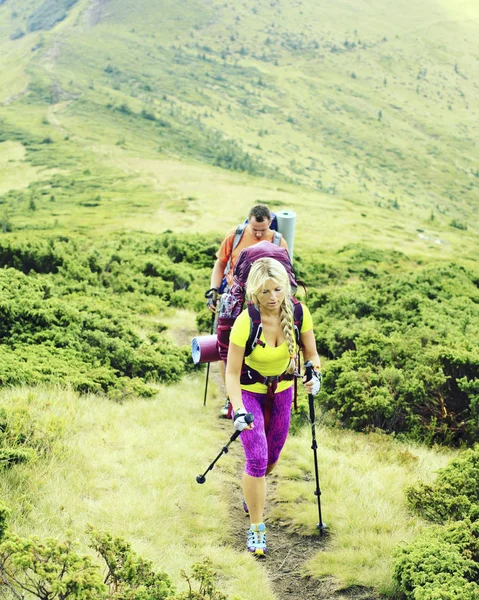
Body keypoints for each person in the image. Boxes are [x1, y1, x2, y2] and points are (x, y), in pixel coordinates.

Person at [225, 257, 321, 557]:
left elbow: (312, 355)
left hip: (281, 392)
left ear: (287, 288)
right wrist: (238, 409)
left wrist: (314, 375)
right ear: (254, 291)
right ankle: (256, 529)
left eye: (278, 290)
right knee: (257, 458)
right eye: (265, 292)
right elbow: (230, 373)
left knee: (272, 459)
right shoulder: (246, 322)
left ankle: (251, 494)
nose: (273, 298)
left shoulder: (299, 314)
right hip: (249, 393)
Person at [207, 205, 289, 418]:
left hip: (263, 302)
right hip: (233, 299)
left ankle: (256, 395)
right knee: (226, 348)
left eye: (262, 229)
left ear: (270, 222)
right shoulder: (235, 236)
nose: (259, 234)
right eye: (254, 229)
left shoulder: (279, 242)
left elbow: (284, 275)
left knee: (258, 349)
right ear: (248, 222)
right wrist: (214, 290)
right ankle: (230, 399)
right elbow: (220, 263)